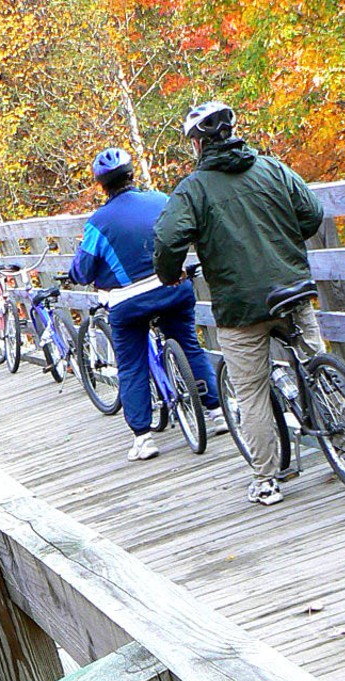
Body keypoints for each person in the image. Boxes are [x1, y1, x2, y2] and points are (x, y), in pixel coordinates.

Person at [154, 101, 324, 506]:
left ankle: (267, 480)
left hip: (241, 306)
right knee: (317, 366)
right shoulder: (273, 168)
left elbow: (168, 240)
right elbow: (312, 214)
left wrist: (170, 274)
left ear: (197, 145)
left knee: (251, 392)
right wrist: (283, 242)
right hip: (293, 287)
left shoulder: (193, 189)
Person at [68, 148, 226, 462]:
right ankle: (217, 412)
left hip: (129, 303)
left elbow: (83, 270)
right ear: (132, 174)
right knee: (188, 344)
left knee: (131, 364)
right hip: (173, 287)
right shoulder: (160, 200)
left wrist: (76, 273)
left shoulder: (98, 223)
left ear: (102, 185)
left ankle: (143, 437)